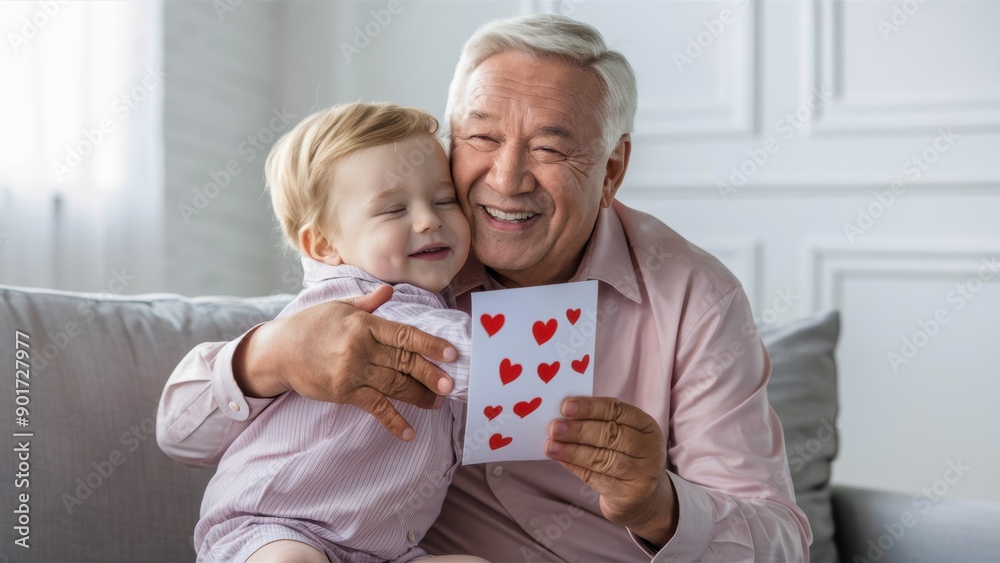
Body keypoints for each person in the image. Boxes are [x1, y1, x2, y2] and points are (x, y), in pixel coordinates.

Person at [158, 14, 812, 562]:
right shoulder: (397, 263)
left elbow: (781, 541)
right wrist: (268, 355)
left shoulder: (696, 298)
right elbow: (187, 424)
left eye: (550, 150)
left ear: (612, 168)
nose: (507, 178)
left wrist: (660, 503)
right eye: (481, 137)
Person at [187, 102, 488, 563]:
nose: (429, 220)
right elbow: (473, 358)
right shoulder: (348, 303)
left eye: (444, 200)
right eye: (394, 208)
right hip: (273, 526)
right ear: (324, 244)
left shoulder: (436, 301)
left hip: (383, 551)